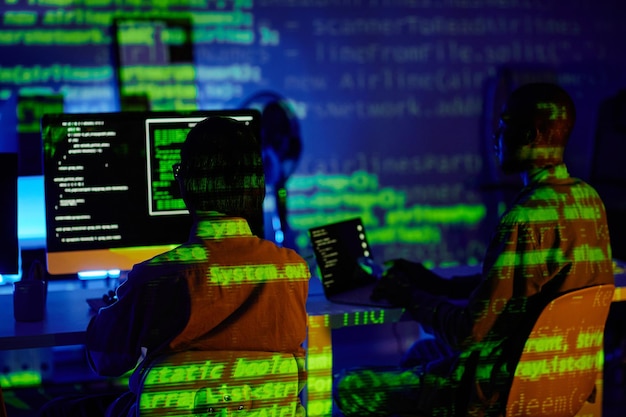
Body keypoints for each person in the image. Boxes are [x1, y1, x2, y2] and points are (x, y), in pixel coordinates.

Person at [333, 83, 615, 417]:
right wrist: (439, 284)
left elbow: (468, 335)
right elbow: (520, 290)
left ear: (531, 135)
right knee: (422, 351)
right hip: (560, 380)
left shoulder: (524, 219)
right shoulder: (589, 200)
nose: (496, 135)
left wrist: (409, 296)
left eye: (504, 124)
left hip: (496, 392)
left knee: (348, 386)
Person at [40, 117, 310, 416]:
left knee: (56, 409)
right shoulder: (293, 270)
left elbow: (106, 360)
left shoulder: (155, 277)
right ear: (257, 185)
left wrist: (115, 305)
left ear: (186, 183)